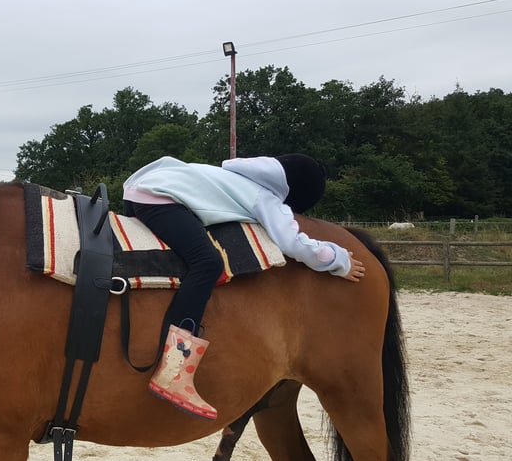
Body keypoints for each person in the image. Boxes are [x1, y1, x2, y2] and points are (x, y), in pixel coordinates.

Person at [122, 154, 366, 420]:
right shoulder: (265, 198)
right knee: (207, 263)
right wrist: (339, 260)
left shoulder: (237, 180)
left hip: (142, 190)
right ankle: (175, 369)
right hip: (160, 200)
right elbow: (293, 242)